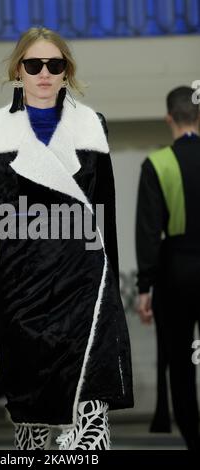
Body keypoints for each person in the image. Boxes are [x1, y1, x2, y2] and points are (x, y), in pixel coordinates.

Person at [0, 27, 133, 450]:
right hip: (22, 294)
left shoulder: (91, 126)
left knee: (88, 430)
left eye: (55, 65)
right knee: (32, 431)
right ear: (19, 69)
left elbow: (104, 215)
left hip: (82, 289)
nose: (44, 74)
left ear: (66, 71)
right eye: (34, 64)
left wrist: (113, 294)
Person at [135, 86, 200, 450]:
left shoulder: (157, 164)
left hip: (175, 272)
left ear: (169, 119)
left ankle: (193, 438)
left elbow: (147, 232)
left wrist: (145, 287)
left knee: (180, 360)